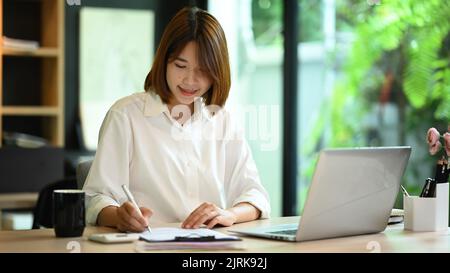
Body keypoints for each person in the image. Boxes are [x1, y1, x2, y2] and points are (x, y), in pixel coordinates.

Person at [83, 6, 270, 233]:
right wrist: (117, 216)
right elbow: (95, 199)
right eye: (180, 66)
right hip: (144, 244)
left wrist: (229, 214)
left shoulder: (222, 121)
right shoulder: (125, 116)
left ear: (217, 73)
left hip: (208, 247)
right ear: (164, 61)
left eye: (203, 71)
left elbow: (256, 195)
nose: (190, 80)